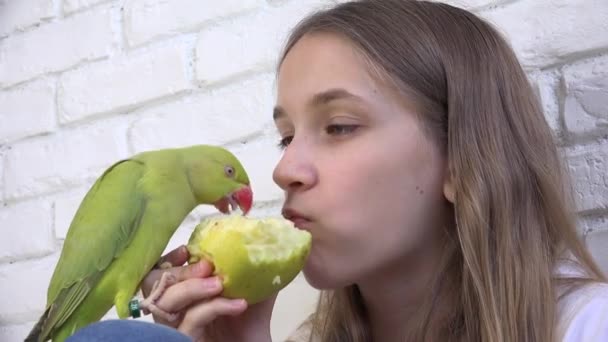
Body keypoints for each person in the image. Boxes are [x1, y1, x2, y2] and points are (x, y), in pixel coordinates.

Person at [68, 0, 608, 341]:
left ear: (462, 161)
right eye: (285, 136)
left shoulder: (588, 326)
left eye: (340, 126)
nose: (284, 169)